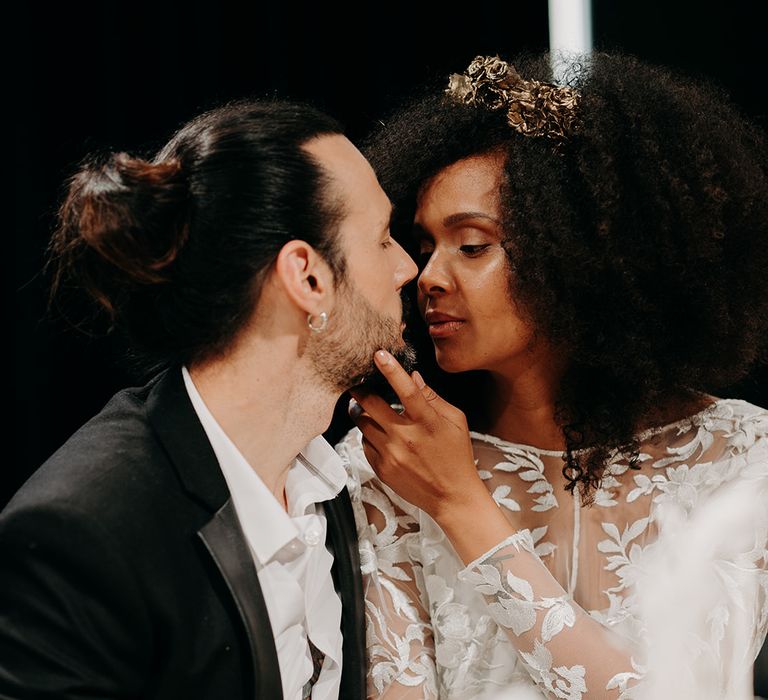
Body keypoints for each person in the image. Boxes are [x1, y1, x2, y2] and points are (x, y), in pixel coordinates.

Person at [336, 52, 768, 699]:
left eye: (472, 245)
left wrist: (463, 505)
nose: (426, 277)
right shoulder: (390, 462)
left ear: (576, 252)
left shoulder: (746, 458)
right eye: (424, 247)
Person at [0, 99, 418, 699]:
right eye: (382, 239)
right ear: (307, 278)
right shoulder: (85, 534)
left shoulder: (339, 483)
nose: (407, 268)